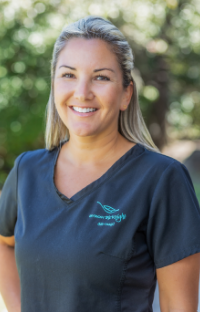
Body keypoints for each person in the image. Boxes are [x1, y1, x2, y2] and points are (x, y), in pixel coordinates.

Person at [0, 15, 200, 312]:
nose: (82, 92)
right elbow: (5, 243)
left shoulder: (161, 179)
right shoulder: (26, 171)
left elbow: (178, 306)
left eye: (101, 77)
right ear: (54, 84)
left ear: (126, 94)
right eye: (68, 75)